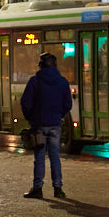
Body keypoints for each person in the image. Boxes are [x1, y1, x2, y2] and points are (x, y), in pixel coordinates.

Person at [20, 52, 72, 200]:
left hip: (39, 126)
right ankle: (58, 188)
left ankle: (38, 188)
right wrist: (59, 115)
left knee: (40, 157)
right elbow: (68, 104)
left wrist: (31, 118)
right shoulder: (62, 82)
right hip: (55, 124)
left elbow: (25, 102)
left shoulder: (35, 82)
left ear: (41, 65)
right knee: (55, 156)